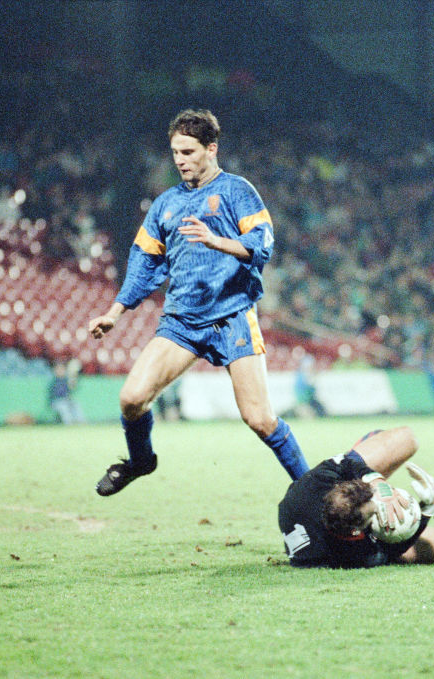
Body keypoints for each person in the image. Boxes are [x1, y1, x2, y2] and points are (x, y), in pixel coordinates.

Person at [88, 109, 309, 496]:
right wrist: (115, 312)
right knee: (131, 398)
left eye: (188, 152)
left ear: (212, 149)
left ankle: (314, 492)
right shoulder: (165, 205)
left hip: (233, 315)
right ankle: (141, 461)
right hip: (183, 321)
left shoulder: (237, 191)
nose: (180, 160)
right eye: (175, 152)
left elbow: (264, 241)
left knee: (259, 419)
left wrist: (217, 241)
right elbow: (143, 264)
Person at [279, 427, 434, 568]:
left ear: (341, 487)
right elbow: (391, 550)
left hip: (313, 509)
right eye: (374, 514)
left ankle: (373, 443)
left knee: (406, 439)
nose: (378, 509)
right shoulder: (355, 554)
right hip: (331, 547)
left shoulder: (314, 485)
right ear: (356, 531)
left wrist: (378, 483)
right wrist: (428, 509)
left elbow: (344, 463)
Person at [48, 360, 85, 424]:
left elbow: (72, 388)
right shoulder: (54, 381)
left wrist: (73, 378)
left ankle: (81, 422)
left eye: (62, 369)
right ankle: (69, 423)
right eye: (58, 369)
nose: (60, 371)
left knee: (75, 405)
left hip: (66, 401)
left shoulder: (66, 379)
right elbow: (57, 394)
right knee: (64, 407)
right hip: (56, 401)